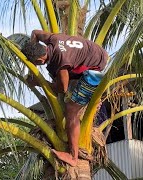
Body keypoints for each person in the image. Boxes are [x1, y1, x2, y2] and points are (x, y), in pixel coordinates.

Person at [21, 30, 108, 167]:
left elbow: (63, 89)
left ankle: (73, 156)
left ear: (39, 60)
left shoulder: (61, 62)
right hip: (96, 51)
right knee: (62, 79)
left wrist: (38, 83)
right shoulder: (52, 39)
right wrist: (32, 51)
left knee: (70, 110)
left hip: (95, 69)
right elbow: (35, 33)